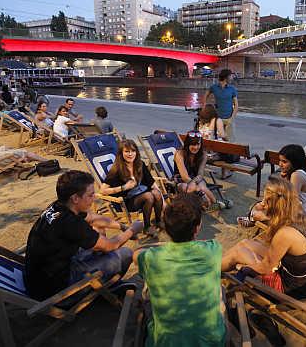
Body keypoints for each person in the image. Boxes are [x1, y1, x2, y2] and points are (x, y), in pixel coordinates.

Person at [24, 170, 144, 300]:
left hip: (41, 278)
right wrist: (132, 230)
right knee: (125, 253)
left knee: (98, 231)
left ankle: (105, 282)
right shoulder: (70, 222)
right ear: (75, 198)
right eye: (90, 195)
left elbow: (92, 218)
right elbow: (110, 245)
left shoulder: (58, 207)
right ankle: (108, 286)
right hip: (56, 291)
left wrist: (122, 226)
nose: (94, 198)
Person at [134, 194, 226, 346]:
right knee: (219, 291)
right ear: (197, 228)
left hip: (165, 343)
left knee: (147, 293)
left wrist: (158, 247)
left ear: (167, 228)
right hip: (212, 341)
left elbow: (136, 254)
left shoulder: (151, 257)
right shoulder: (213, 249)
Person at [222, 177, 306, 299]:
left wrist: (243, 268)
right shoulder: (299, 214)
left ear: (277, 204)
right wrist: (265, 217)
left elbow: (266, 267)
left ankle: (210, 271)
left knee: (238, 254)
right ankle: (218, 267)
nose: (262, 203)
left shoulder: (285, 233)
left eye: (266, 201)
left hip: (290, 289)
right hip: (305, 277)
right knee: (245, 243)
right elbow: (279, 221)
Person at [239, 144, 306, 228]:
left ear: (295, 162)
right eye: (280, 160)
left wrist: (267, 213)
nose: (280, 164)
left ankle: (257, 219)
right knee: (260, 206)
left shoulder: (297, 175)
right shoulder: (301, 172)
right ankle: (254, 218)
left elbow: (289, 203)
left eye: (284, 162)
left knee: (260, 208)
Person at [99, 139, 164, 236]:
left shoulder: (140, 164)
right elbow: (102, 190)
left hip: (142, 193)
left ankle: (158, 221)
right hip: (127, 201)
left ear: (136, 152)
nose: (130, 154)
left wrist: (161, 198)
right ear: (121, 153)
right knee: (149, 196)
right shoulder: (117, 169)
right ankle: (147, 227)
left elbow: (151, 182)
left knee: (156, 193)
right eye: (127, 151)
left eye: (133, 151)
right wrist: (124, 187)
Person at [174, 131, 219, 208]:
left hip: (197, 179)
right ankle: (211, 203)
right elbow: (184, 177)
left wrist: (196, 185)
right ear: (187, 144)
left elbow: (200, 174)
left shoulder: (203, 155)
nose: (195, 147)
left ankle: (214, 203)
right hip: (181, 180)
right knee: (189, 188)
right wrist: (197, 189)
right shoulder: (179, 154)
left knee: (202, 187)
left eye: (198, 144)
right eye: (193, 144)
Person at [204, 69, 238, 143]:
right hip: (217, 118)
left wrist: (231, 119)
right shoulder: (214, 87)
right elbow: (206, 95)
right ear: (226, 77)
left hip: (229, 118)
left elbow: (236, 105)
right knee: (216, 139)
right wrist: (205, 106)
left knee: (231, 141)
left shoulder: (232, 89)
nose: (232, 77)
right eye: (231, 76)